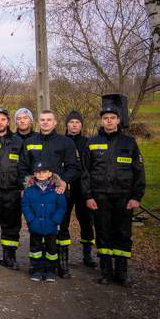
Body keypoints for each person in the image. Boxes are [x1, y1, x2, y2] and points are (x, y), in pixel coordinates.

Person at [83, 106, 145, 286]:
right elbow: (85, 172)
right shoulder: (92, 142)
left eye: (112, 117)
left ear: (118, 120)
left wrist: (136, 196)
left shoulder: (129, 142)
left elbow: (139, 171)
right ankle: (106, 272)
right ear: (102, 121)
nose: (109, 120)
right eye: (105, 118)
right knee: (102, 232)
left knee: (123, 233)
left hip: (124, 198)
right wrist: (88, 196)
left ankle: (122, 273)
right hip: (99, 196)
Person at [18, 110, 80, 279]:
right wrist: (25, 185)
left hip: (57, 194)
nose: (45, 122)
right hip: (35, 194)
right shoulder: (30, 142)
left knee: (60, 228)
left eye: (49, 120)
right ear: (38, 122)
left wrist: (63, 182)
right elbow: (23, 167)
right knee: (36, 230)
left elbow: (73, 167)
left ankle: (61, 264)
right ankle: (36, 266)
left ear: (55, 122)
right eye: (42, 120)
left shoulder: (65, 142)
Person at [0, 108, 25, 270]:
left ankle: (10, 256)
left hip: (13, 190)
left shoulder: (18, 141)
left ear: (8, 121)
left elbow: (24, 167)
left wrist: (24, 187)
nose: (0, 122)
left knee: (12, 225)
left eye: (3, 119)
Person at [22, 161, 66, 282]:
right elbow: (25, 205)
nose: (41, 174)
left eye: (44, 172)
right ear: (34, 174)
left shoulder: (57, 190)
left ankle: (51, 271)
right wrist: (30, 220)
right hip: (35, 225)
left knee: (51, 250)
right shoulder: (29, 190)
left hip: (51, 226)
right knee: (35, 250)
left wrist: (55, 220)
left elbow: (61, 207)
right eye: (38, 172)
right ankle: (37, 270)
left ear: (50, 174)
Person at [64, 110, 96, 268]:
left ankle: (87, 254)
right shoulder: (61, 141)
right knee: (62, 221)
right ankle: (61, 254)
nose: (74, 125)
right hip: (65, 188)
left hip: (83, 189)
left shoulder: (88, 142)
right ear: (67, 124)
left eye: (77, 122)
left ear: (81, 125)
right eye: (71, 122)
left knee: (86, 222)